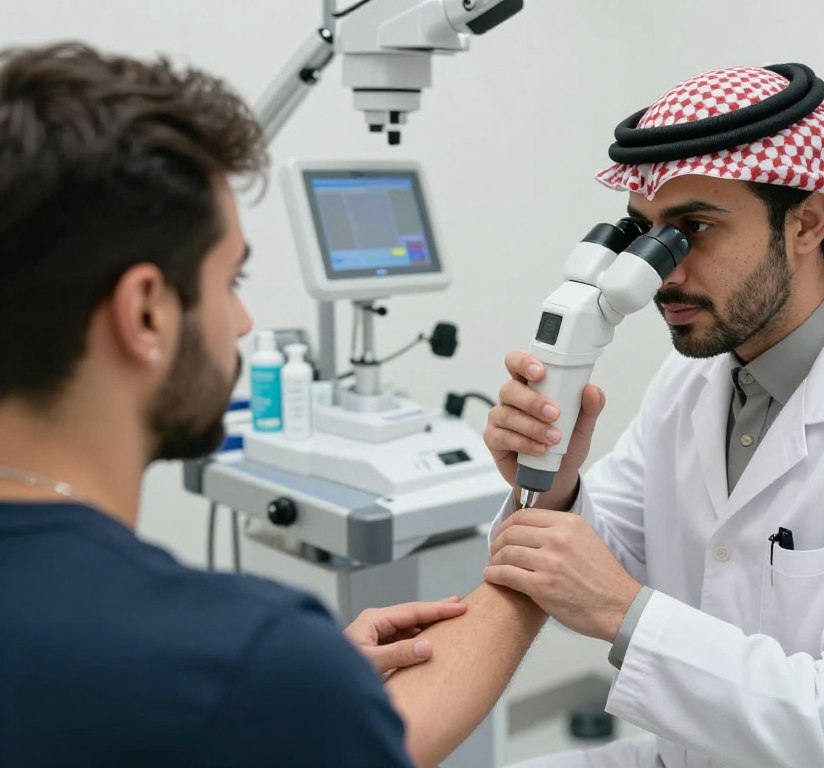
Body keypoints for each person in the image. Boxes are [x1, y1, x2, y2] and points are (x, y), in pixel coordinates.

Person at [0, 42, 546, 768]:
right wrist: (543, 550)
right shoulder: (248, 663)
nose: (245, 323)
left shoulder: (251, 681)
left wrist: (311, 692)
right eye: (232, 281)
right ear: (147, 315)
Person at [483, 62, 824, 767]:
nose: (660, 275)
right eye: (646, 235)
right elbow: (605, 557)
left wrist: (625, 614)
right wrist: (553, 481)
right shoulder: (694, 378)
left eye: (693, 230)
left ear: (808, 221)